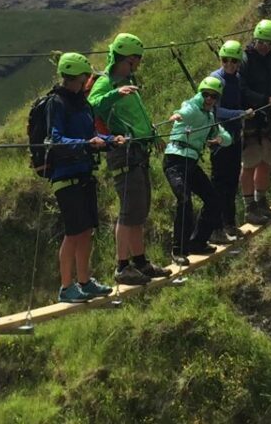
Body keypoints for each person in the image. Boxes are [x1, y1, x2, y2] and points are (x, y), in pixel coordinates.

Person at [88, 33, 171, 285]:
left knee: (139, 209)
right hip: (122, 152)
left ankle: (141, 262)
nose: (137, 65)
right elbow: (92, 104)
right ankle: (122, 267)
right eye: (134, 60)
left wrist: (153, 134)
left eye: (138, 60)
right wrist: (116, 93)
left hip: (138, 151)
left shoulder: (127, 81)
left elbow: (138, 117)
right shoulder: (107, 82)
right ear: (123, 58)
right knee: (128, 210)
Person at [49, 52, 123, 303]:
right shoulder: (57, 103)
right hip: (65, 176)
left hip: (84, 173)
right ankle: (66, 287)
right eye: (85, 77)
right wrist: (85, 143)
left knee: (87, 230)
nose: (87, 81)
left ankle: (84, 281)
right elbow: (54, 140)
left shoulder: (82, 103)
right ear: (76, 76)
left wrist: (112, 140)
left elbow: (93, 134)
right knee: (74, 231)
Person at [163, 77, 232, 265]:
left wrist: (219, 139)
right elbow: (184, 111)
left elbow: (227, 138)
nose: (209, 99)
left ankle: (198, 242)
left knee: (213, 200)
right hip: (175, 160)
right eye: (206, 95)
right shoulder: (193, 107)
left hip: (191, 163)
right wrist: (177, 116)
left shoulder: (210, 118)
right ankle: (178, 250)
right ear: (200, 94)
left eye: (214, 97)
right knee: (184, 200)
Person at [239, 19, 271, 223]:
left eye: (269, 44)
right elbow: (242, 91)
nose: (265, 47)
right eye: (261, 43)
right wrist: (266, 100)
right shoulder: (245, 60)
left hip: (266, 116)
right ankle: (249, 207)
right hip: (250, 115)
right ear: (255, 39)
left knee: (265, 160)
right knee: (250, 161)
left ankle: (262, 202)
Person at [209, 40, 254, 241]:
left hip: (235, 136)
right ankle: (215, 228)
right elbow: (215, 110)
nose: (229, 65)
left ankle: (230, 224)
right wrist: (240, 113)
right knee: (220, 183)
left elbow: (241, 99)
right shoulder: (215, 80)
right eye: (225, 60)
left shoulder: (237, 79)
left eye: (234, 61)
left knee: (231, 182)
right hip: (219, 138)